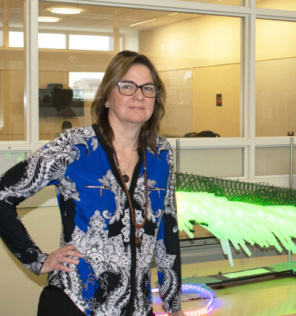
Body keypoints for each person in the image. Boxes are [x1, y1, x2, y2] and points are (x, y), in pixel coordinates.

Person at [0, 50, 184, 316]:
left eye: (148, 88)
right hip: (75, 304)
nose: (139, 95)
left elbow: (168, 226)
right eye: (127, 86)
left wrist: (173, 304)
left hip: (137, 308)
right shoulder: (74, 146)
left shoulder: (161, 152)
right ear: (107, 96)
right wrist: (37, 260)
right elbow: (4, 194)